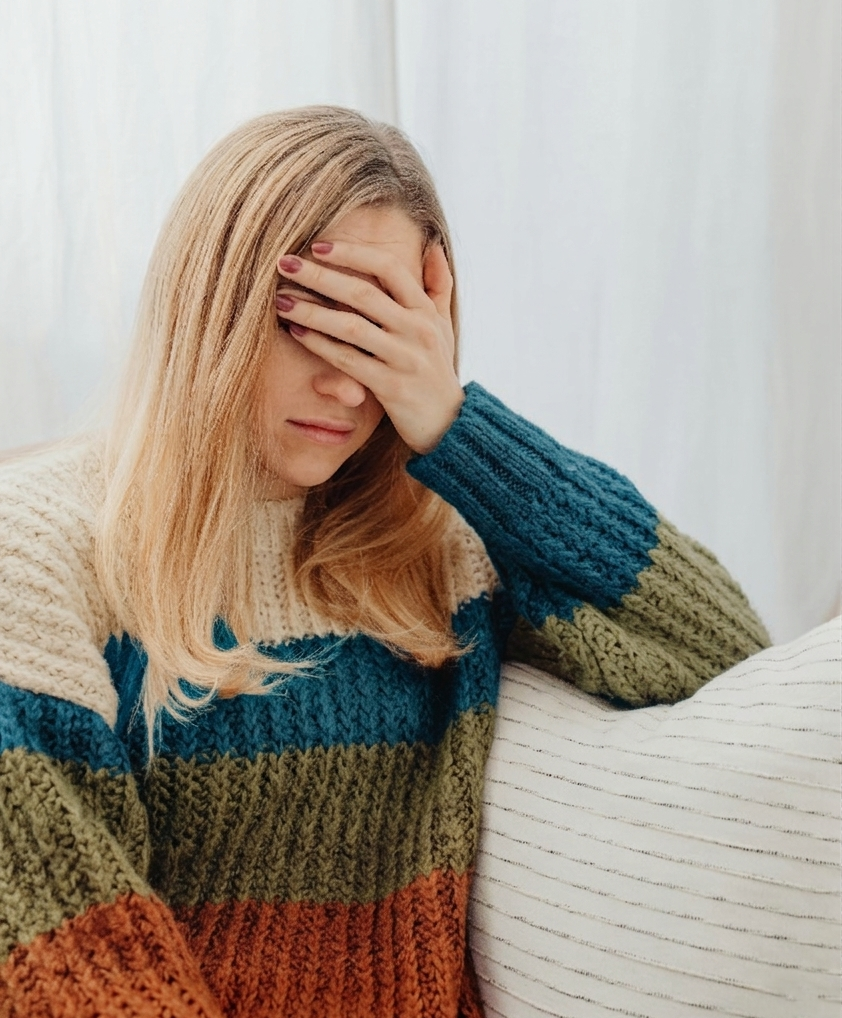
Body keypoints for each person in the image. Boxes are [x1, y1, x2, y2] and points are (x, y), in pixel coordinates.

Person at [0, 106, 770, 1018]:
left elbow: (728, 654)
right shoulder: (38, 549)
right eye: (310, 324)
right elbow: (64, 961)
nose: (348, 384)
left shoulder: (447, 549)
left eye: (380, 335)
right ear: (211, 304)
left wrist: (455, 422)